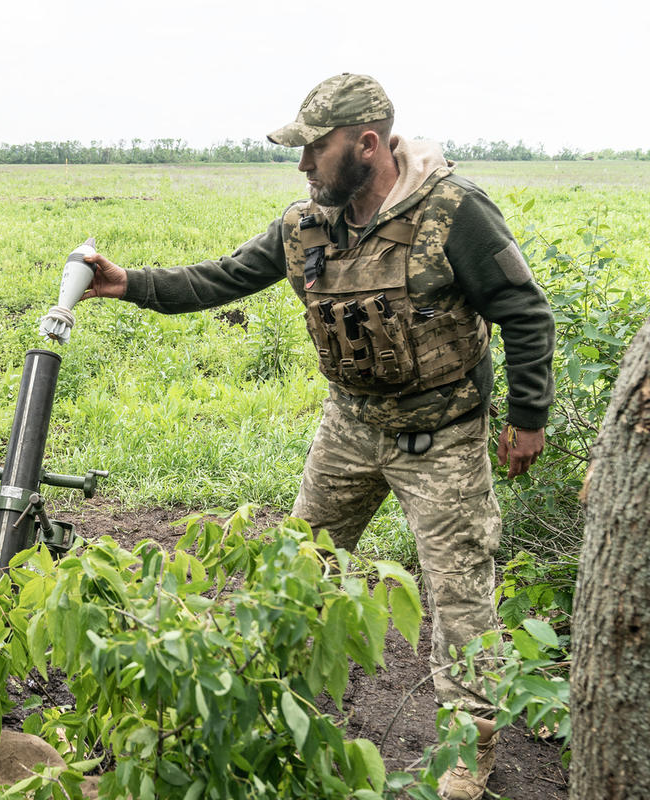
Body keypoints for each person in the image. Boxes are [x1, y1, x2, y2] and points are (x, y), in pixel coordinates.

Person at [80, 73, 554, 800]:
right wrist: (130, 283)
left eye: (314, 150)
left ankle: (470, 748)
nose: (302, 165)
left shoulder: (455, 212)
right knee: (298, 568)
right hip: (350, 429)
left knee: (461, 597)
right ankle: (269, 701)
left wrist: (528, 420)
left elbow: (525, 312)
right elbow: (223, 278)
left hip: (444, 438)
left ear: (366, 144)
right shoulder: (305, 225)